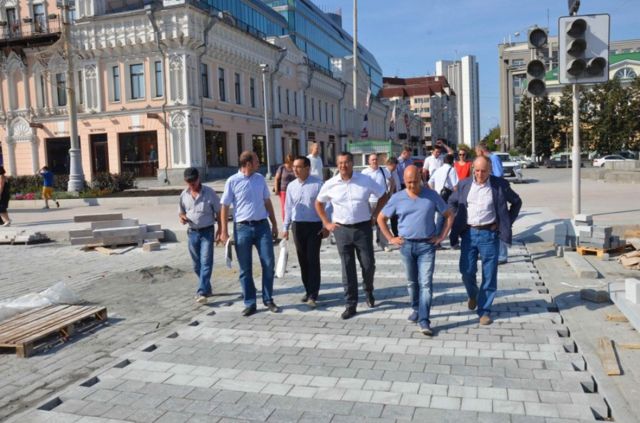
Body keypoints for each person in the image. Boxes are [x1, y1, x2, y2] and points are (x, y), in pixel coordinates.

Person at [378, 165, 453, 335]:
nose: (412, 185)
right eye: (409, 182)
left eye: (415, 181)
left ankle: (424, 320)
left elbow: (449, 215)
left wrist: (441, 236)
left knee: (425, 283)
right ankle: (416, 308)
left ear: (420, 178)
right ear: (404, 181)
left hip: (427, 246)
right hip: (406, 246)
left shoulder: (431, 195)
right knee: (412, 283)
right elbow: (381, 218)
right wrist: (391, 238)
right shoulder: (397, 198)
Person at [448, 156, 522, 325]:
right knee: (466, 271)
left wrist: (505, 222)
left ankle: (484, 311)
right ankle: (473, 294)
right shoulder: (464, 184)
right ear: (473, 169)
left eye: (484, 171)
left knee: (489, 274)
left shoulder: (500, 185)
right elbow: (451, 202)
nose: (480, 174)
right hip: (469, 234)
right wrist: (455, 218)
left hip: (489, 234)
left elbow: (517, 202)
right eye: (477, 170)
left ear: (490, 170)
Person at [315, 152, 388, 319]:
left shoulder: (365, 180)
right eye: (340, 163)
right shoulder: (330, 184)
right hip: (341, 230)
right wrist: (327, 223)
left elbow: (383, 195)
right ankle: (350, 304)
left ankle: (368, 290)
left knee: (368, 265)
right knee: (347, 268)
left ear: (352, 163)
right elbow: (318, 203)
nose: (343, 166)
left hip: (363, 228)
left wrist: (375, 215)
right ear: (337, 164)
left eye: (346, 162)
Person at [220, 151, 280, 316]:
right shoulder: (232, 181)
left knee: (268, 263)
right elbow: (224, 206)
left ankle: (268, 299)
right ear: (247, 164)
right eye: (256, 161)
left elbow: (267, 202)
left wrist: (274, 224)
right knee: (245, 268)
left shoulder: (260, 179)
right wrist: (224, 231)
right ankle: (250, 302)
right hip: (242, 228)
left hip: (262, 227)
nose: (259, 163)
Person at [281, 156, 327, 308]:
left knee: (312, 259)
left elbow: (327, 206)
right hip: (298, 226)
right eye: (293, 167)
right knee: (302, 260)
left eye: (298, 167)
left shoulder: (318, 184)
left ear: (307, 168)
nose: (295, 169)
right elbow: (288, 208)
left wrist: (326, 225)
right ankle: (308, 290)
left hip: (314, 226)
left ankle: (313, 293)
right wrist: (285, 227)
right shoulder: (291, 186)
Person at [179, 168, 222, 304]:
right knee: (196, 265)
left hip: (207, 232)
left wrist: (221, 229)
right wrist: (182, 218)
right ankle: (207, 287)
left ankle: (201, 291)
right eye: (189, 182)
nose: (192, 185)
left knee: (206, 262)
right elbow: (181, 212)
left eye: (194, 182)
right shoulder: (184, 195)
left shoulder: (209, 193)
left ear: (199, 179)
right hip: (192, 233)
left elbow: (219, 212)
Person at [475, 142, 508, 263]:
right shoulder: (490, 159)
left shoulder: (494, 158)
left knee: (500, 224)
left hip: (497, 193)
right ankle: (489, 252)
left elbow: (499, 175)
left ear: (481, 151)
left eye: (477, 153)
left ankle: (502, 255)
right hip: (490, 193)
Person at [361, 153, 393, 251]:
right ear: (369, 161)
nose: (375, 161)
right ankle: (369, 245)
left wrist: (390, 193)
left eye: (376, 159)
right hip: (369, 201)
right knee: (369, 224)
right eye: (373, 160)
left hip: (382, 201)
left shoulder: (384, 170)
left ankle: (384, 244)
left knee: (383, 222)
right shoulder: (365, 172)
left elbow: (392, 181)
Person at [428, 154, 459, 237]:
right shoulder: (451, 170)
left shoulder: (438, 170)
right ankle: (440, 237)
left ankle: (437, 236)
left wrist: (434, 191)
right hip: (448, 196)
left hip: (438, 195)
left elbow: (430, 182)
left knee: (440, 216)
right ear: (452, 162)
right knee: (448, 216)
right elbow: (455, 186)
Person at [274, 154, 296, 221]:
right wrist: (276, 189)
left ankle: (293, 220)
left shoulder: (294, 168)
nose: (290, 163)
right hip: (284, 190)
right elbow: (276, 178)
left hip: (293, 190)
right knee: (285, 207)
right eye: (289, 162)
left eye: (292, 161)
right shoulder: (282, 167)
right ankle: (285, 222)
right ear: (287, 161)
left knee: (293, 206)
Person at [386, 157, 401, 237]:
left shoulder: (395, 173)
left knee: (395, 217)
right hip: (387, 198)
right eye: (395, 166)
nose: (396, 168)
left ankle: (396, 234)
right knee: (385, 217)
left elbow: (397, 185)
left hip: (395, 198)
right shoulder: (384, 173)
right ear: (390, 164)